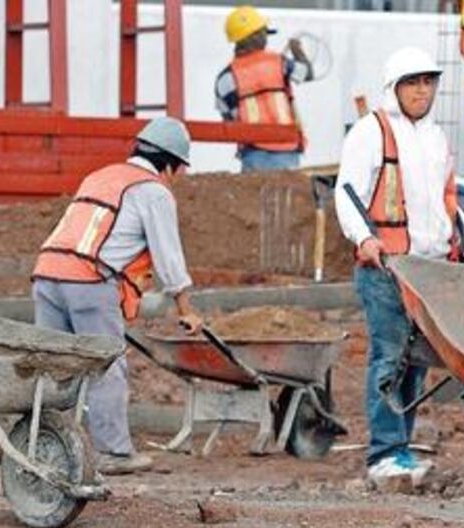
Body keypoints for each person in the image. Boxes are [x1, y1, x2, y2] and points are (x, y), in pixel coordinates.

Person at [336, 47, 464, 486]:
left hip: (429, 267)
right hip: (386, 266)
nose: (423, 91)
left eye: (428, 82)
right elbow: (348, 193)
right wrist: (364, 239)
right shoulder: (371, 132)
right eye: (413, 83)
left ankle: (400, 445)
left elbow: (447, 198)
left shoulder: (435, 137)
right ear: (394, 88)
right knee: (388, 356)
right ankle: (384, 452)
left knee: (416, 361)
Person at [31, 118, 203, 475]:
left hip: (46, 275)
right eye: (180, 169)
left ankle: (42, 444)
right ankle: (112, 452)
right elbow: (169, 258)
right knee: (105, 365)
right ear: (169, 163)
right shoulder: (152, 190)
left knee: (54, 366)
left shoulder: (100, 176)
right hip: (89, 282)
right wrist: (186, 309)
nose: (178, 176)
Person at [215, 5, 312, 172]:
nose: (265, 37)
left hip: (253, 151)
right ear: (254, 36)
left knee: (255, 196)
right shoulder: (279, 63)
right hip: (286, 148)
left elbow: (229, 120)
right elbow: (307, 73)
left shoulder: (226, 77)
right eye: (263, 32)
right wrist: (298, 52)